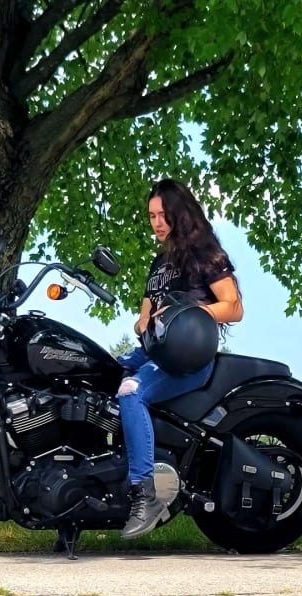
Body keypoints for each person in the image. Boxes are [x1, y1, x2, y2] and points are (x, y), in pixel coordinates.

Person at [117, 178, 244, 539]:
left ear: (179, 214)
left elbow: (233, 307)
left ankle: (146, 495)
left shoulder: (205, 255)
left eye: (163, 215)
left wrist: (187, 312)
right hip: (152, 352)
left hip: (187, 356)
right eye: (152, 216)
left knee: (130, 392)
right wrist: (143, 320)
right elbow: (144, 315)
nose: (156, 222)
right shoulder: (160, 263)